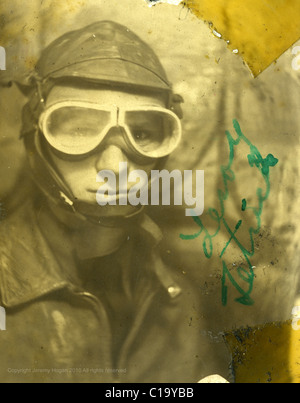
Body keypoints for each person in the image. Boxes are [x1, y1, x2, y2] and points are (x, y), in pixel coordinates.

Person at [0, 21, 231, 382]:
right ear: (36, 135)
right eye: (78, 128)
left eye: (142, 134)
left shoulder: (175, 297)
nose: (115, 166)